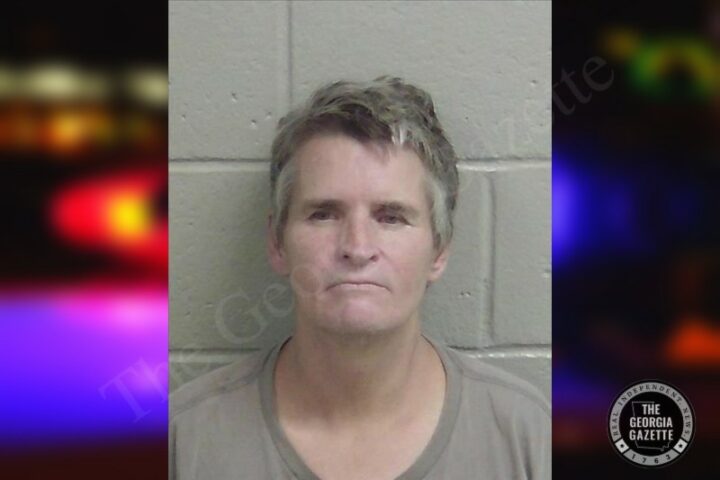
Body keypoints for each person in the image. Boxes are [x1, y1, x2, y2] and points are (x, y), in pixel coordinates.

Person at [170, 76, 550, 479]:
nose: (357, 247)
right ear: (277, 242)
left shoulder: (526, 437)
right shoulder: (186, 439)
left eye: (391, 218)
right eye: (323, 214)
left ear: (439, 249)